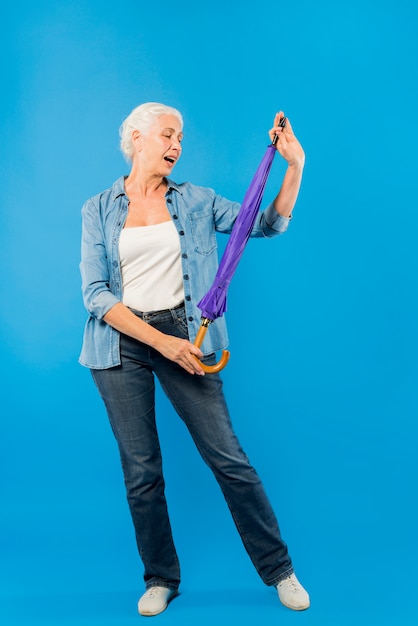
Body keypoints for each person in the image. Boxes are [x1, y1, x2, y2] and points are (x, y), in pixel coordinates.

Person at [79, 102, 309, 617]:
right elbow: (95, 295)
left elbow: (265, 225)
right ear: (136, 138)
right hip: (120, 343)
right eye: (166, 134)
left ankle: (280, 571)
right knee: (142, 472)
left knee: (228, 460)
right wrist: (159, 344)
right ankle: (160, 577)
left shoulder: (198, 201)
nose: (176, 144)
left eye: (180, 136)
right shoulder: (97, 208)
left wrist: (293, 166)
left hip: (190, 336)